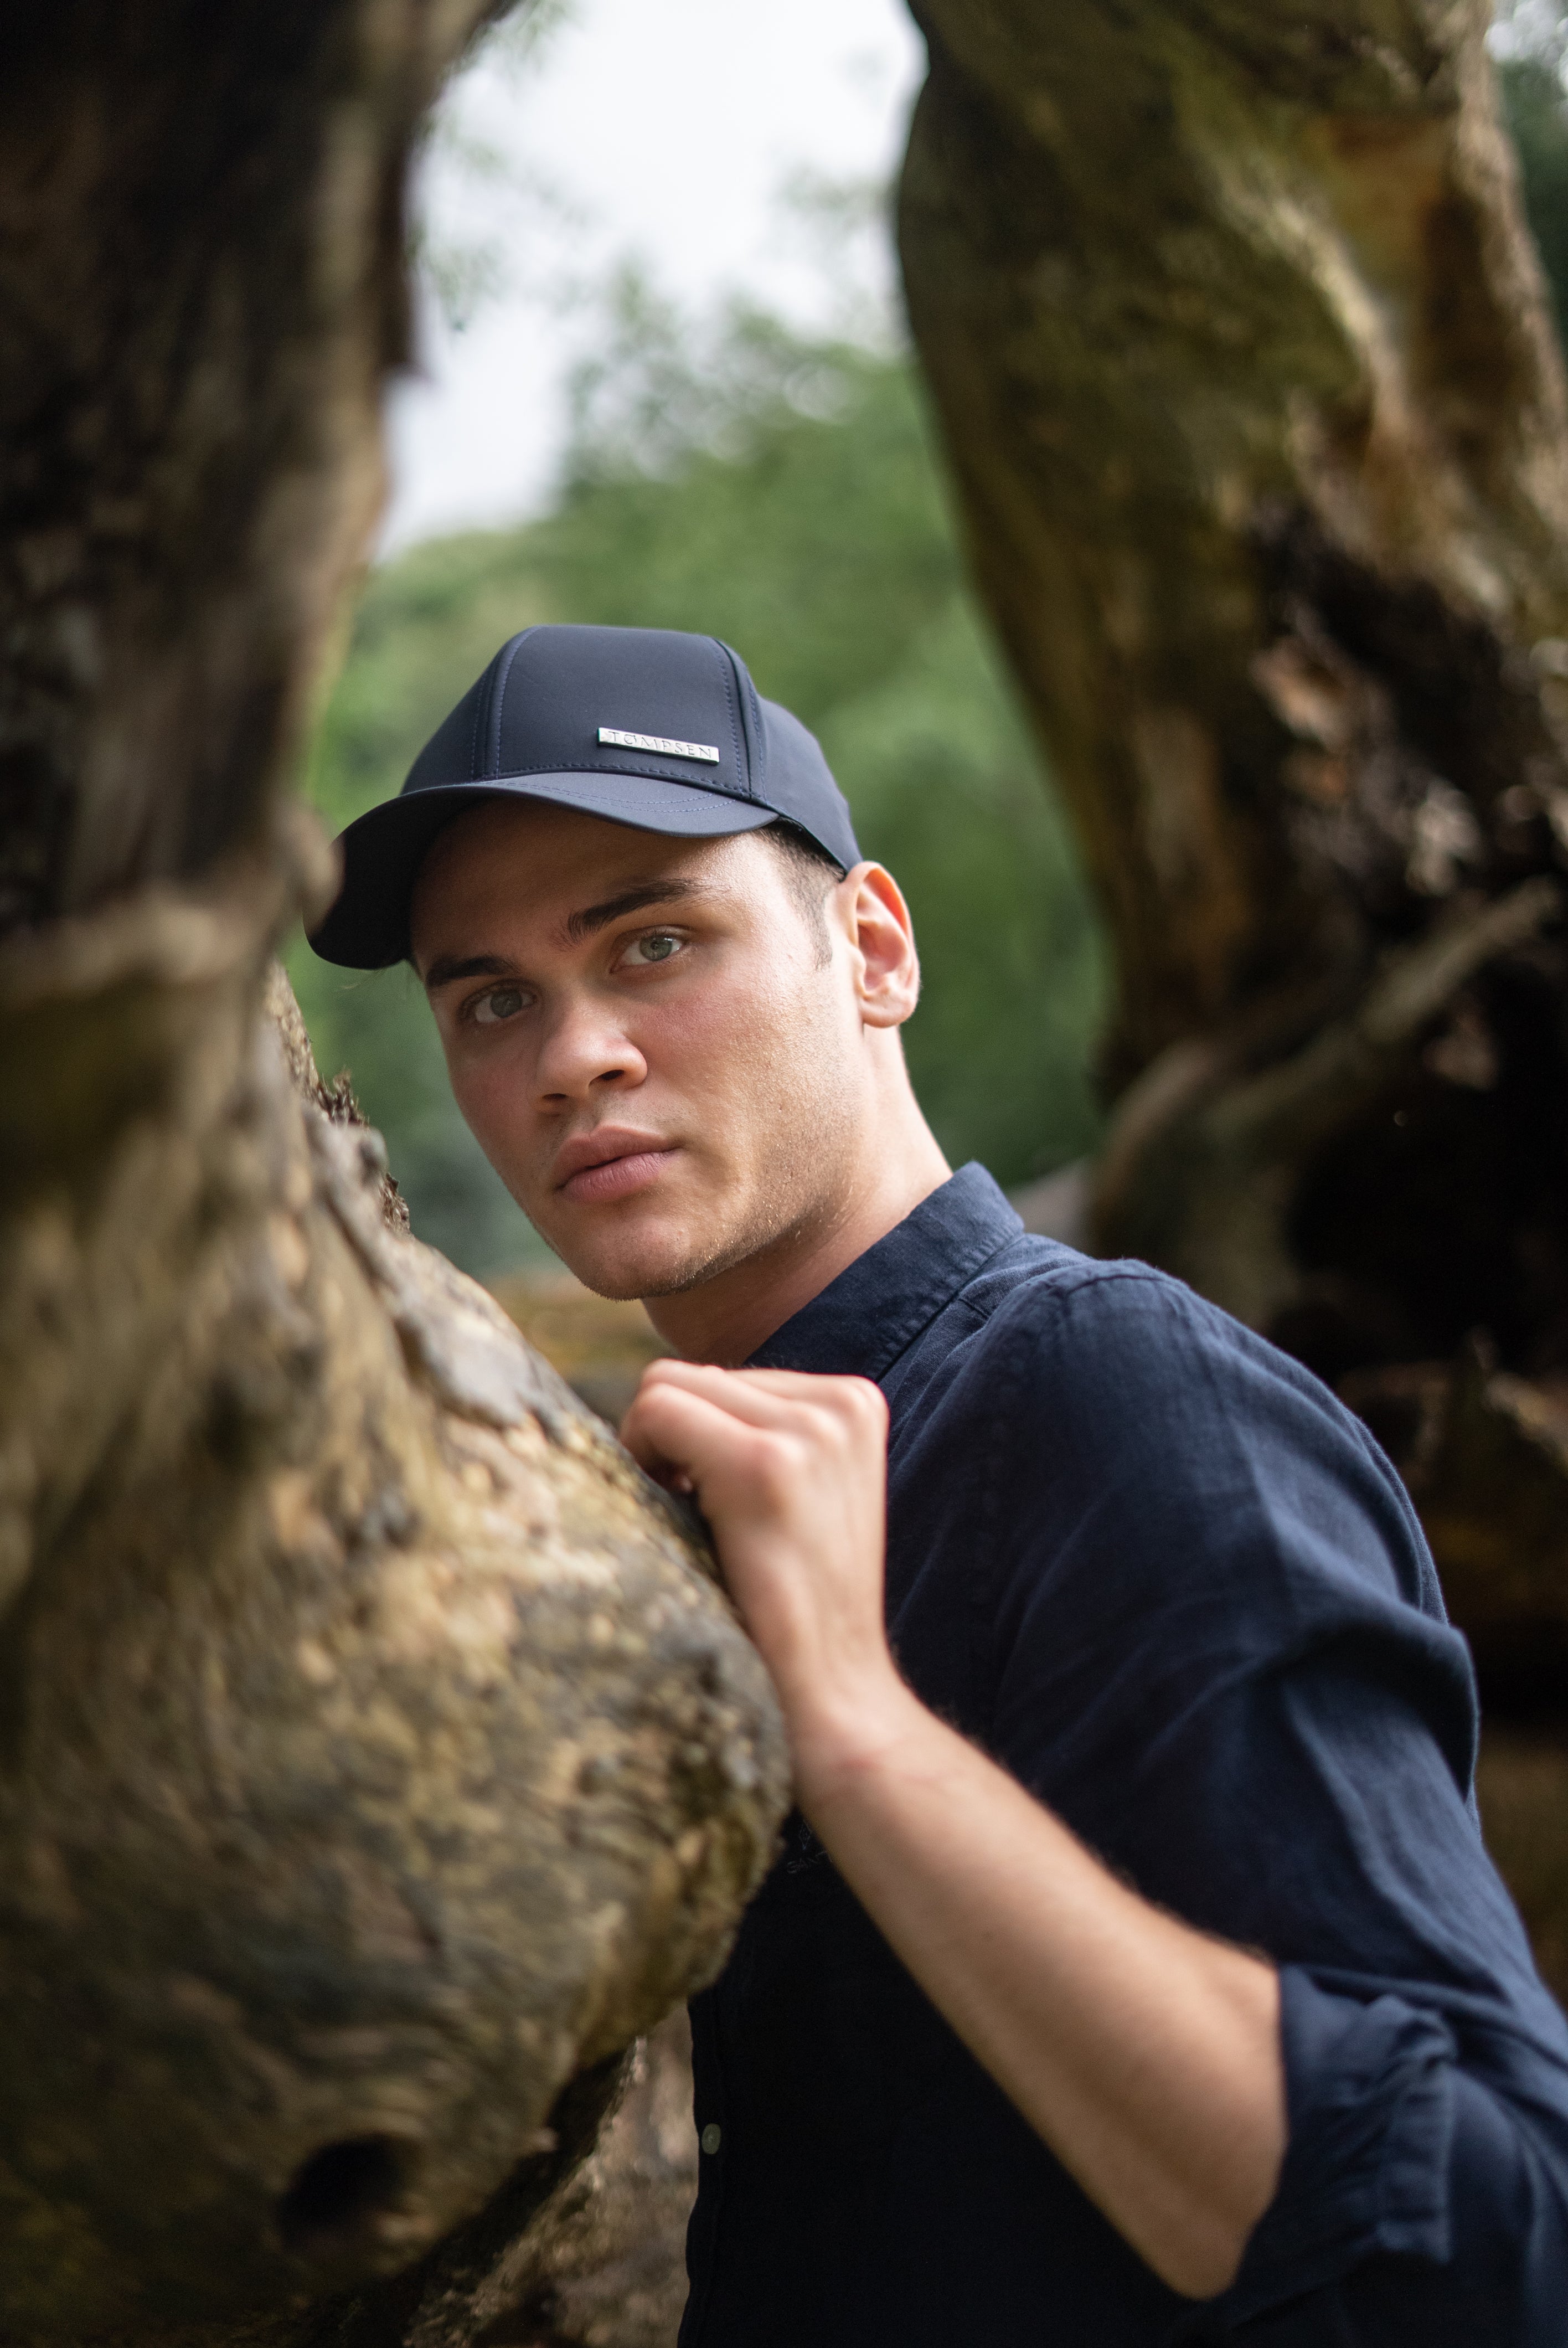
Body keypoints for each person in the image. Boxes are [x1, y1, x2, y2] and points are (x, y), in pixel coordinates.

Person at [310, 621, 1568, 2345]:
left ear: (874, 946)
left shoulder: (1119, 1402)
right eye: (493, 998)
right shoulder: (658, 1492)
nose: (572, 1054)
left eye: (655, 941)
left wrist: (859, 1731)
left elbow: (1489, 2249)